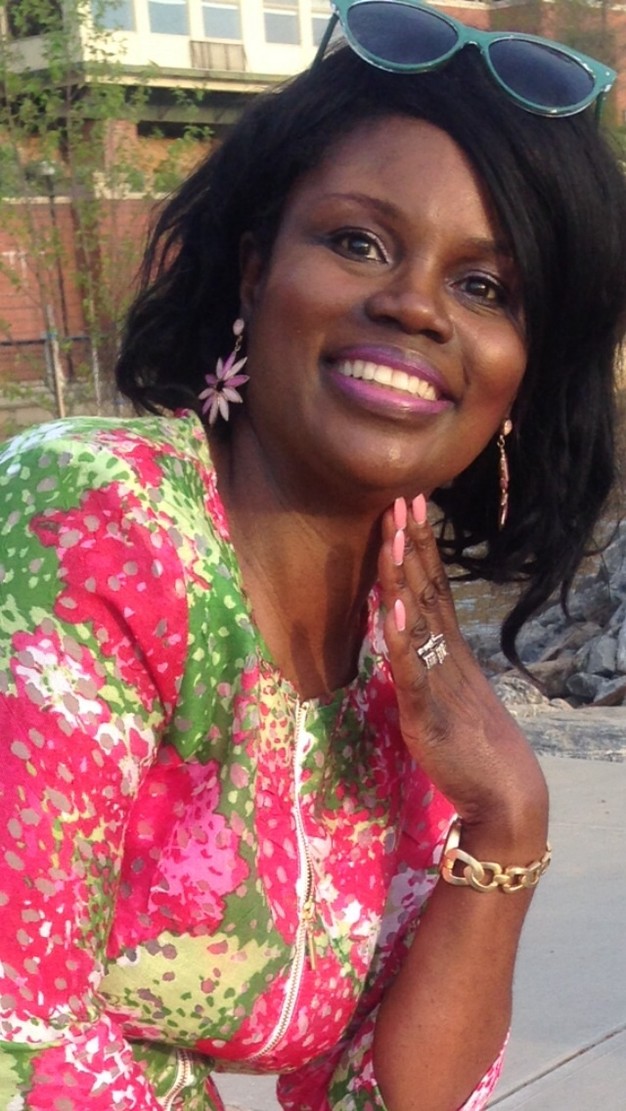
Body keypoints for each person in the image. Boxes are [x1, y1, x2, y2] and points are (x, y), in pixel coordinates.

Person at [1, 4, 626, 1106]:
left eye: (484, 287)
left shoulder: (399, 654)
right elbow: (19, 1024)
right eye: (358, 242)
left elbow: (395, 1092)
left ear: (524, 373)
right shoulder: (95, 519)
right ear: (254, 272)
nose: (413, 304)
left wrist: (507, 815)